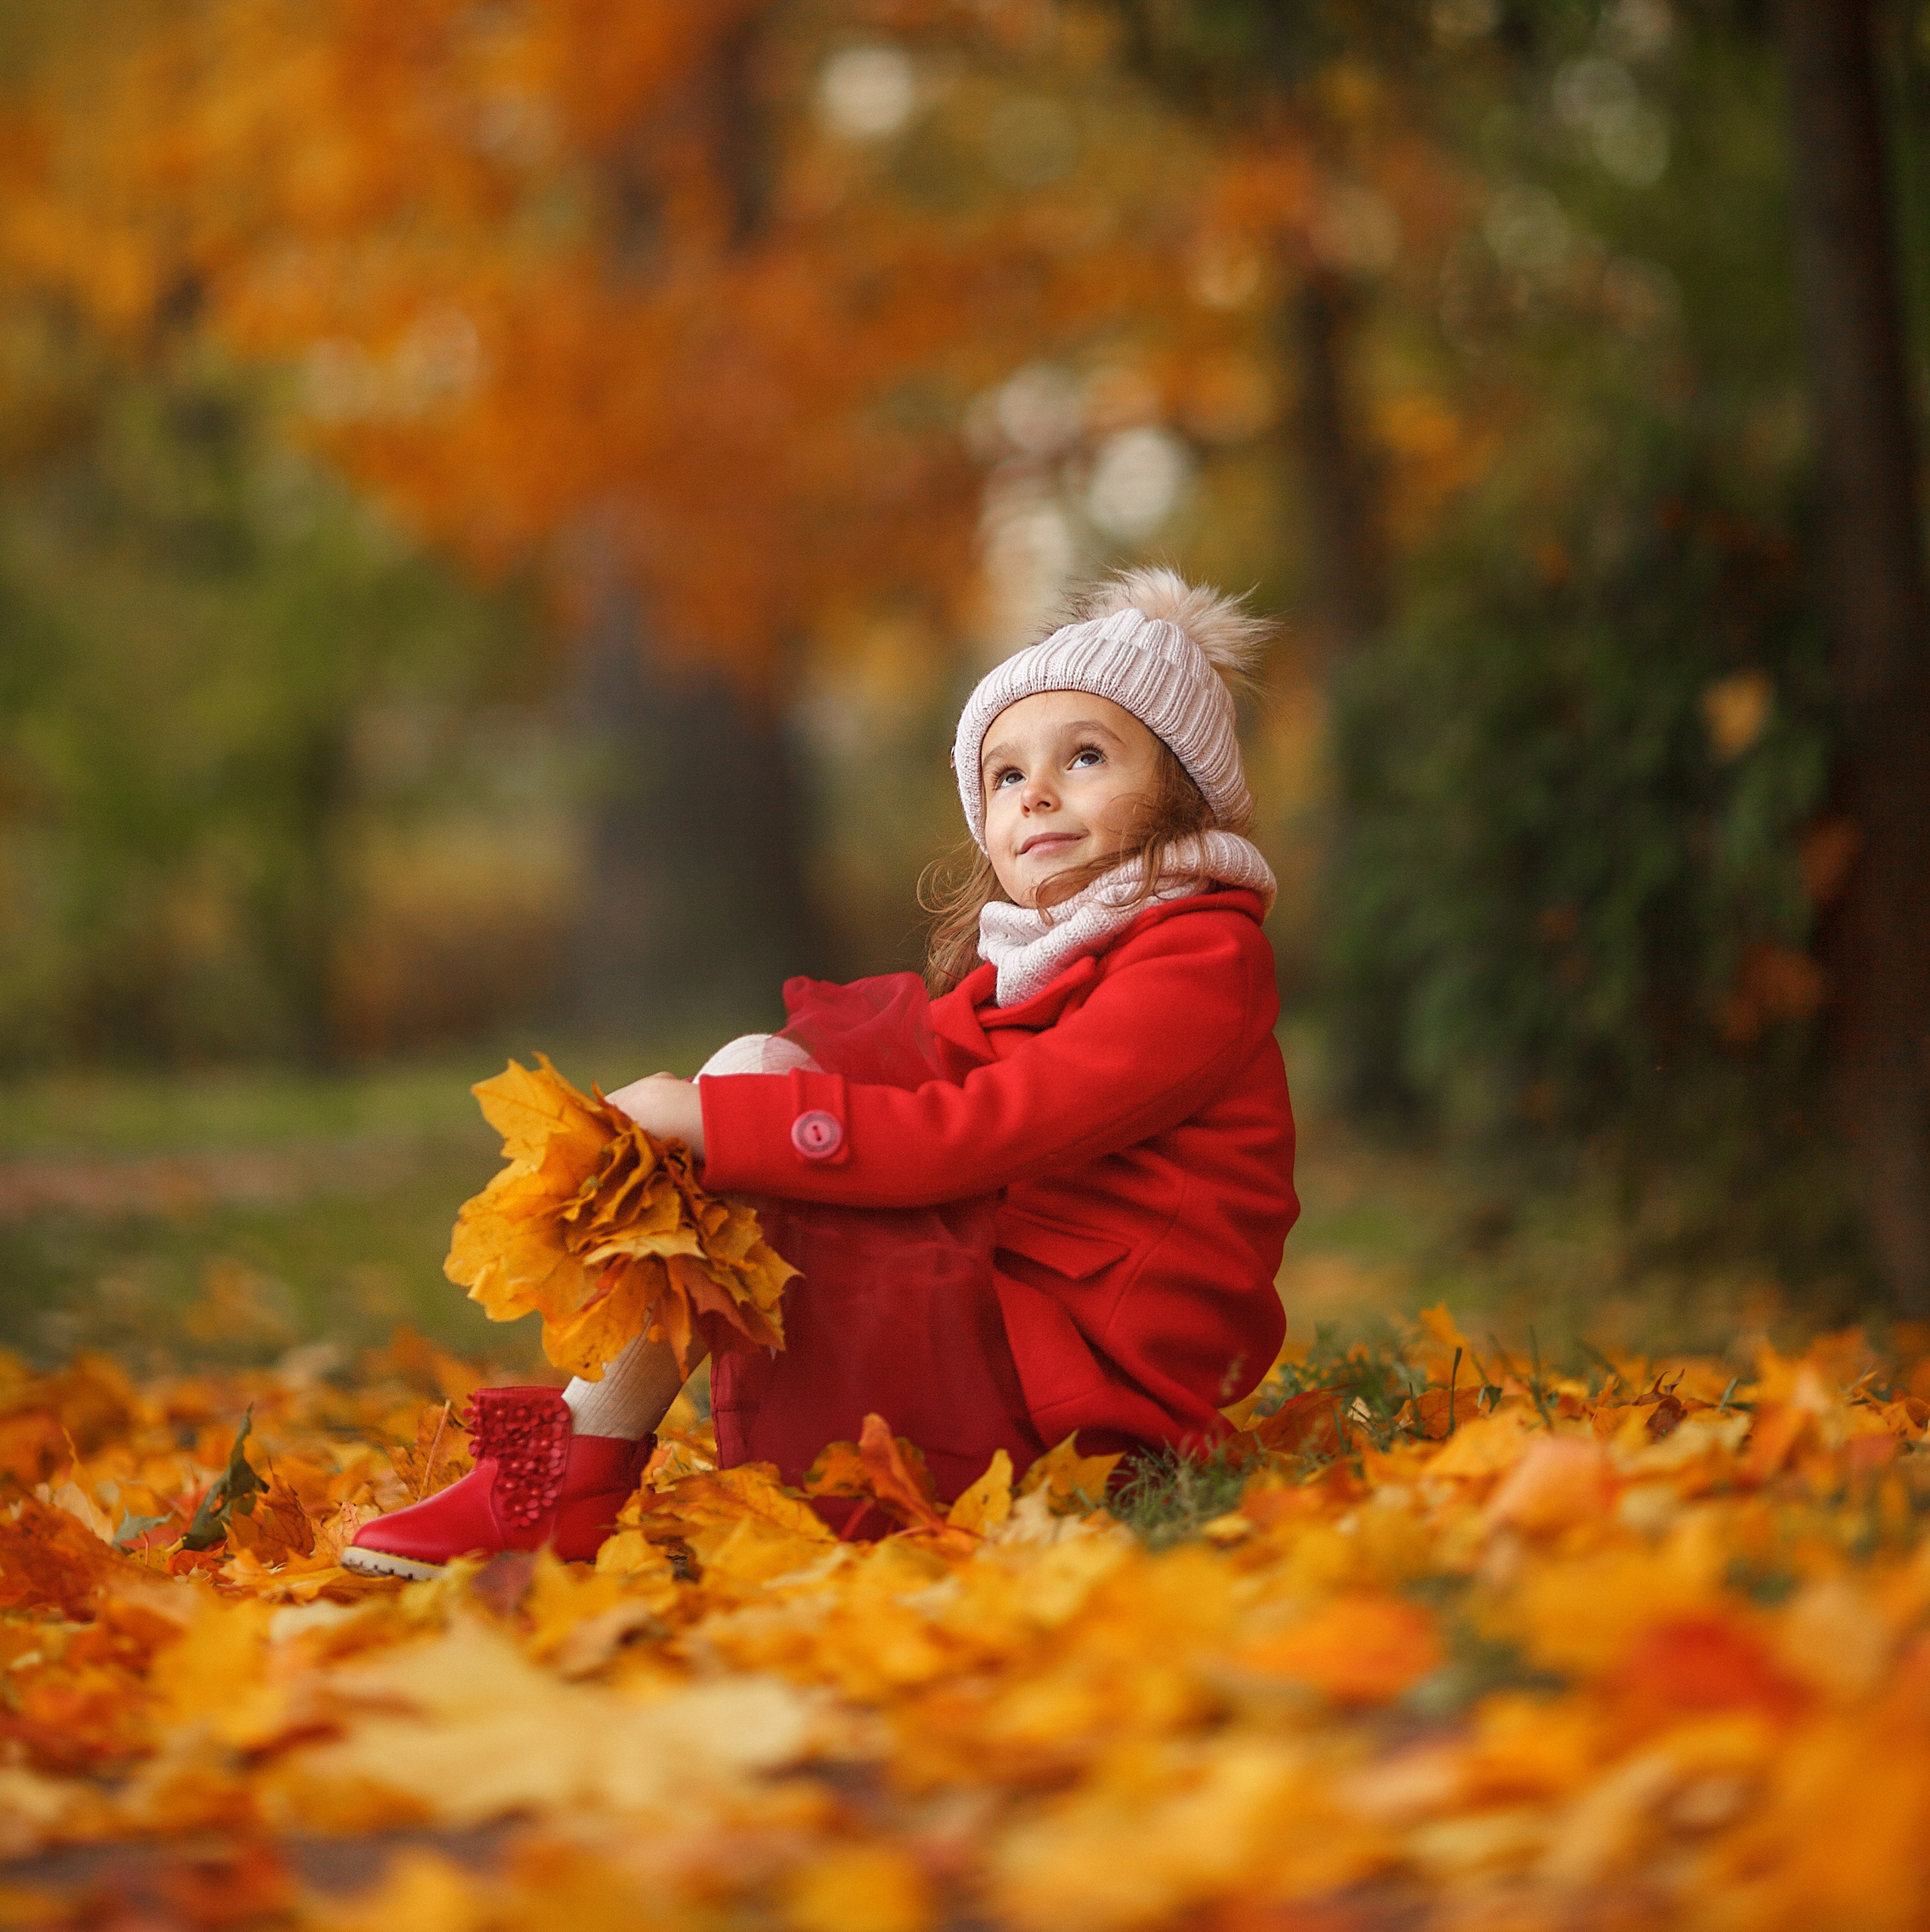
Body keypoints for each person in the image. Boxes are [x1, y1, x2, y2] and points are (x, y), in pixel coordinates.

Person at [345, 567, 1299, 1576]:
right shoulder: (1033, 970)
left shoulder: (1199, 961)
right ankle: (576, 1461)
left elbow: (984, 1132)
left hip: (1083, 1390)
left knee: (758, 1127)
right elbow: (902, 1093)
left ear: (1183, 791)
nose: (1040, 795)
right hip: (1018, 1329)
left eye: (1089, 756)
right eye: (1007, 777)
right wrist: (734, 1100)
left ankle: (569, 1471)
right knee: (766, 1071)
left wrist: (721, 1123)